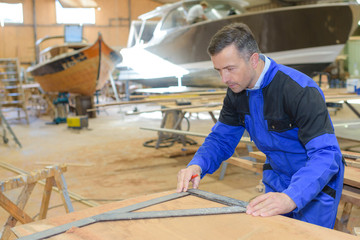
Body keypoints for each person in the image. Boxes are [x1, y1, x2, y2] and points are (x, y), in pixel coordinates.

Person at [176, 23, 344, 229]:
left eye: (230, 69)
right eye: (219, 70)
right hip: (276, 179)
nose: (224, 79)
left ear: (253, 59)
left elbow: (326, 154)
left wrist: (291, 197)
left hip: (314, 184)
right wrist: (198, 164)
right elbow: (221, 139)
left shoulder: (299, 89)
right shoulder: (236, 93)